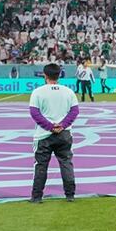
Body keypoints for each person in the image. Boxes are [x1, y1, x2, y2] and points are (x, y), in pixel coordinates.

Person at [28, 63, 78, 203]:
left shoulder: (38, 92)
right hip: (64, 133)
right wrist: (62, 125)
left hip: (44, 134)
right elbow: (74, 111)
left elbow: (35, 113)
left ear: (45, 75)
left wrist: (50, 126)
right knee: (66, 163)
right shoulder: (68, 91)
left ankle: (37, 196)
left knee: (41, 165)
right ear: (59, 75)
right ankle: (70, 195)